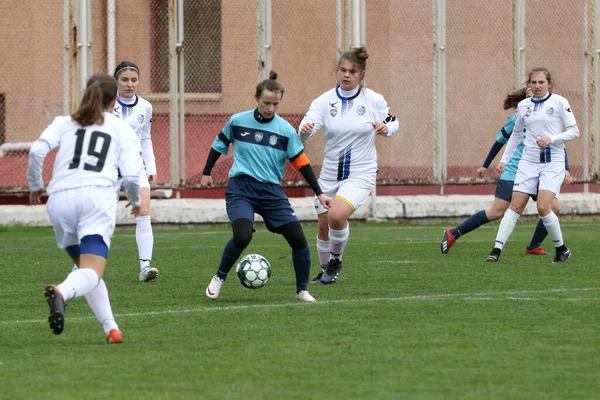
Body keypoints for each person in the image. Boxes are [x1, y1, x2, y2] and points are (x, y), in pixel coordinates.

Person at [27, 74, 144, 343]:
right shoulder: (119, 127)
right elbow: (131, 175)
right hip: (95, 198)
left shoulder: (64, 123)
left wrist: (35, 185)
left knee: (85, 268)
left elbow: (36, 152)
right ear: (115, 101)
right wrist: (137, 202)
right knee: (92, 271)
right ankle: (62, 292)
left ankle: (111, 329)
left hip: (59, 201)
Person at [201, 71, 331, 302]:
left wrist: (319, 193)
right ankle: (219, 278)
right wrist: (206, 172)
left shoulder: (286, 131)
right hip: (241, 188)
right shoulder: (238, 121)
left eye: (275, 104)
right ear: (257, 98)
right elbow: (219, 144)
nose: (270, 108)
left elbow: (302, 163)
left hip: (271, 192)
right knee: (242, 236)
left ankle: (302, 290)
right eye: (266, 103)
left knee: (298, 238)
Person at [297, 46, 399, 284]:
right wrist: (304, 132)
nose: (346, 75)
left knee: (336, 215)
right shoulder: (324, 101)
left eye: (351, 72)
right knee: (323, 224)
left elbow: (393, 121)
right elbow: (305, 129)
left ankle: (335, 261)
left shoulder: (373, 100)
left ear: (361, 74)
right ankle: (325, 273)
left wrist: (387, 128)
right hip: (330, 172)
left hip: (360, 173)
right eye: (342, 70)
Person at [441, 87, 571, 255]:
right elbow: (499, 142)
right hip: (515, 172)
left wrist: (566, 169)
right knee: (496, 212)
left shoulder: (549, 118)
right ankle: (454, 233)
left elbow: (559, 145)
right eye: (530, 98)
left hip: (540, 171)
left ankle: (533, 246)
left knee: (553, 208)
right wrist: (485, 165)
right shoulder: (516, 118)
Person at [484, 67, 579, 262]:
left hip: (552, 162)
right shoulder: (524, 106)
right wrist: (504, 160)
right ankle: (496, 250)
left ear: (549, 84)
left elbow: (574, 131)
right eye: (533, 82)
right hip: (528, 162)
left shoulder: (560, 102)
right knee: (516, 205)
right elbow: (516, 134)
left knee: (544, 207)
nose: (537, 86)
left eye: (541, 82)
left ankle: (561, 249)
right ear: (529, 85)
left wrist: (551, 138)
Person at [113, 61, 159, 282]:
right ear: (116, 81)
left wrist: (151, 166)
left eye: (133, 80)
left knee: (143, 210)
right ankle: (82, 265)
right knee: (100, 215)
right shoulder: (105, 104)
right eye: (125, 80)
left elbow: (146, 137)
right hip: (110, 167)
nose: (130, 84)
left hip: (136, 165)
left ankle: (145, 267)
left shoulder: (146, 107)